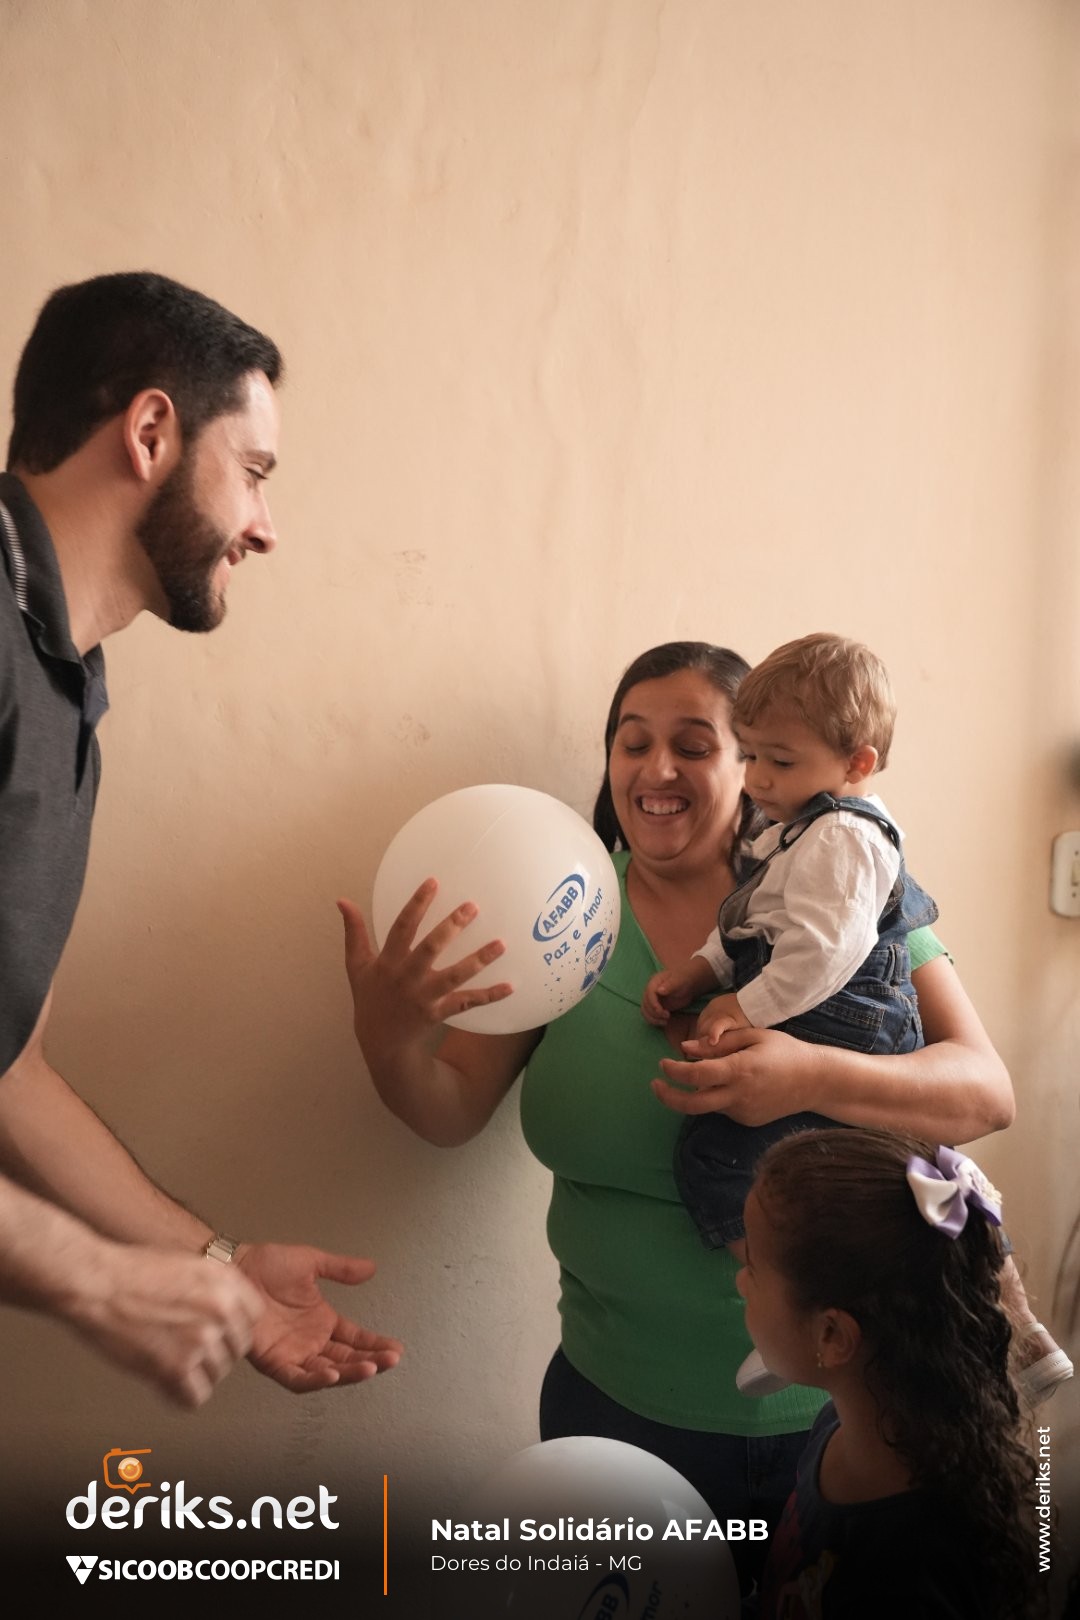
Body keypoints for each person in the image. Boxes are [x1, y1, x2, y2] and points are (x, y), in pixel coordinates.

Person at [339, 640, 1013, 1592]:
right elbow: (448, 1112)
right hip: (612, 1415)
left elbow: (984, 1092)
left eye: (694, 744)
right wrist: (388, 1041)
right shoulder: (556, 912)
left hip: (841, 1424)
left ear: (753, 765)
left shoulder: (840, 889)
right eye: (632, 742)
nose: (656, 769)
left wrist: (807, 1076)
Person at [1, 271, 401, 1409]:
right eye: (255, 472)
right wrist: (89, 1277)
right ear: (150, 433)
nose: (265, 527)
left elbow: (9, 1071)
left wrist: (214, 1264)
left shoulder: (65, 684)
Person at [641, 633, 938, 1263]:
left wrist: (744, 1006)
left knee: (719, 1157)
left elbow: (822, 953)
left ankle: (780, 1284)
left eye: (778, 760)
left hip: (846, 1022)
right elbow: (758, 921)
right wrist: (703, 971)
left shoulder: (843, 838)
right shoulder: (800, 834)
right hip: (815, 1016)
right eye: (750, 755)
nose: (756, 779)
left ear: (857, 763)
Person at [740, 1128, 1039, 1619]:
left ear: (832, 1335)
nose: (740, 1281)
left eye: (752, 1267)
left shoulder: (909, 1576)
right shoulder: (837, 1428)